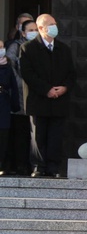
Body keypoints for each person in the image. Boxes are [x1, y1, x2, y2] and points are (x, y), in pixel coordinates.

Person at [19, 14, 77, 178]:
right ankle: (38, 166)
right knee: (38, 135)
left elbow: (71, 73)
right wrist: (46, 89)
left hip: (59, 100)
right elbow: (28, 74)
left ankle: (53, 167)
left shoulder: (63, 49)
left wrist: (64, 88)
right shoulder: (28, 48)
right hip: (38, 100)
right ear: (41, 28)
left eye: (55, 23)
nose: (54, 26)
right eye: (50, 24)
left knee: (56, 135)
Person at [4, 19, 37, 175]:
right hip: (20, 98)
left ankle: (35, 164)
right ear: (23, 32)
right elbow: (12, 71)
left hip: (36, 96)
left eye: (36, 29)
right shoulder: (15, 47)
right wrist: (25, 85)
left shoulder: (40, 47)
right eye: (30, 30)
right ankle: (20, 165)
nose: (34, 32)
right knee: (20, 134)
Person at [0, 41, 20, 175]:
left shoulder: (7, 66)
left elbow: (13, 85)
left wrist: (15, 105)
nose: (1, 50)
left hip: (3, 103)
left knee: (3, 135)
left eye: (1, 47)